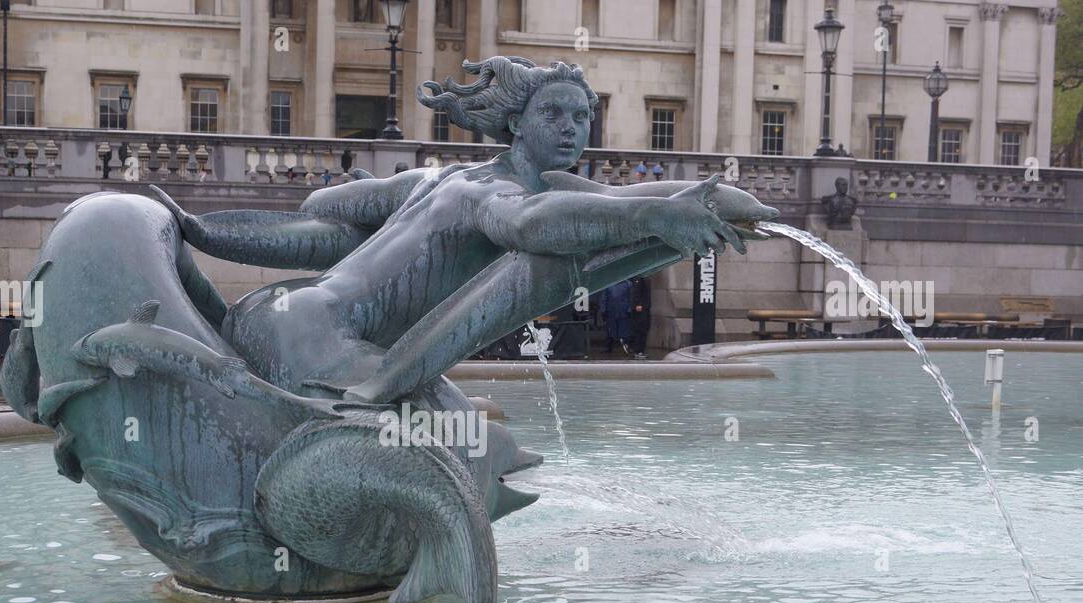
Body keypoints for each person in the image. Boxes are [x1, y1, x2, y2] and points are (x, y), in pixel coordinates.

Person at [156, 56, 746, 404]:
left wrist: (203, 233)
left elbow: (324, 213)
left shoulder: (439, 180)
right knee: (461, 443)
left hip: (273, 314)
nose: (571, 129)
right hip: (315, 350)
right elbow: (536, 225)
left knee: (465, 435)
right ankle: (383, 398)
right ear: (516, 122)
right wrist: (652, 217)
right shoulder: (495, 196)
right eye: (553, 114)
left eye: (582, 116)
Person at [599, 278, 633, 354]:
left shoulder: (628, 284)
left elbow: (631, 297)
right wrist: (603, 310)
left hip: (623, 311)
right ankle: (608, 347)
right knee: (610, 330)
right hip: (611, 311)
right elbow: (603, 298)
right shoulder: (608, 284)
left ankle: (627, 346)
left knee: (624, 330)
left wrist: (629, 309)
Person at [628, 273, 652, 358]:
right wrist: (638, 304)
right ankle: (638, 351)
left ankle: (640, 350)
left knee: (644, 329)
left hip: (645, 307)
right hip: (641, 308)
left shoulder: (643, 277)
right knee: (640, 330)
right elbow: (636, 291)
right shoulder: (639, 278)